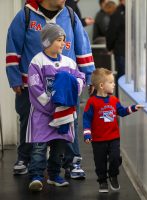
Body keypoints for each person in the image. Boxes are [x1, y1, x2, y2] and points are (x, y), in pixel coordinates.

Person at [6, 0, 95, 178]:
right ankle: (24, 158)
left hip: (66, 87)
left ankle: (73, 161)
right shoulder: (25, 15)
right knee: (29, 122)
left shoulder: (70, 15)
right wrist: (15, 78)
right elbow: (13, 48)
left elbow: (82, 46)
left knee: (68, 122)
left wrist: (88, 75)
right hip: (31, 86)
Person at [27, 23, 85, 192]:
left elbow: (79, 79)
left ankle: (53, 175)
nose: (62, 44)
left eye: (63, 40)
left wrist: (73, 88)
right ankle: (36, 176)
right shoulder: (37, 61)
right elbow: (34, 86)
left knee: (59, 147)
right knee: (39, 147)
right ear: (47, 41)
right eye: (59, 40)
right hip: (42, 115)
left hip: (63, 115)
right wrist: (51, 106)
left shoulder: (69, 62)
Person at [83, 68, 144, 193]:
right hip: (98, 140)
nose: (114, 84)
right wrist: (87, 133)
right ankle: (102, 181)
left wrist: (133, 108)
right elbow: (86, 119)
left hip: (113, 137)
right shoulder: (92, 102)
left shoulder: (114, 100)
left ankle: (113, 175)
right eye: (111, 82)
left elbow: (121, 111)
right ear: (101, 85)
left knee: (115, 158)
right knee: (100, 162)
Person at [106, 0, 125, 97]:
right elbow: (111, 33)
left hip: (125, 51)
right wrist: (110, 47)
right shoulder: (118, 14)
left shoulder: (124, 13)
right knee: (122, 76)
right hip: (121, 51)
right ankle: (119, 99)